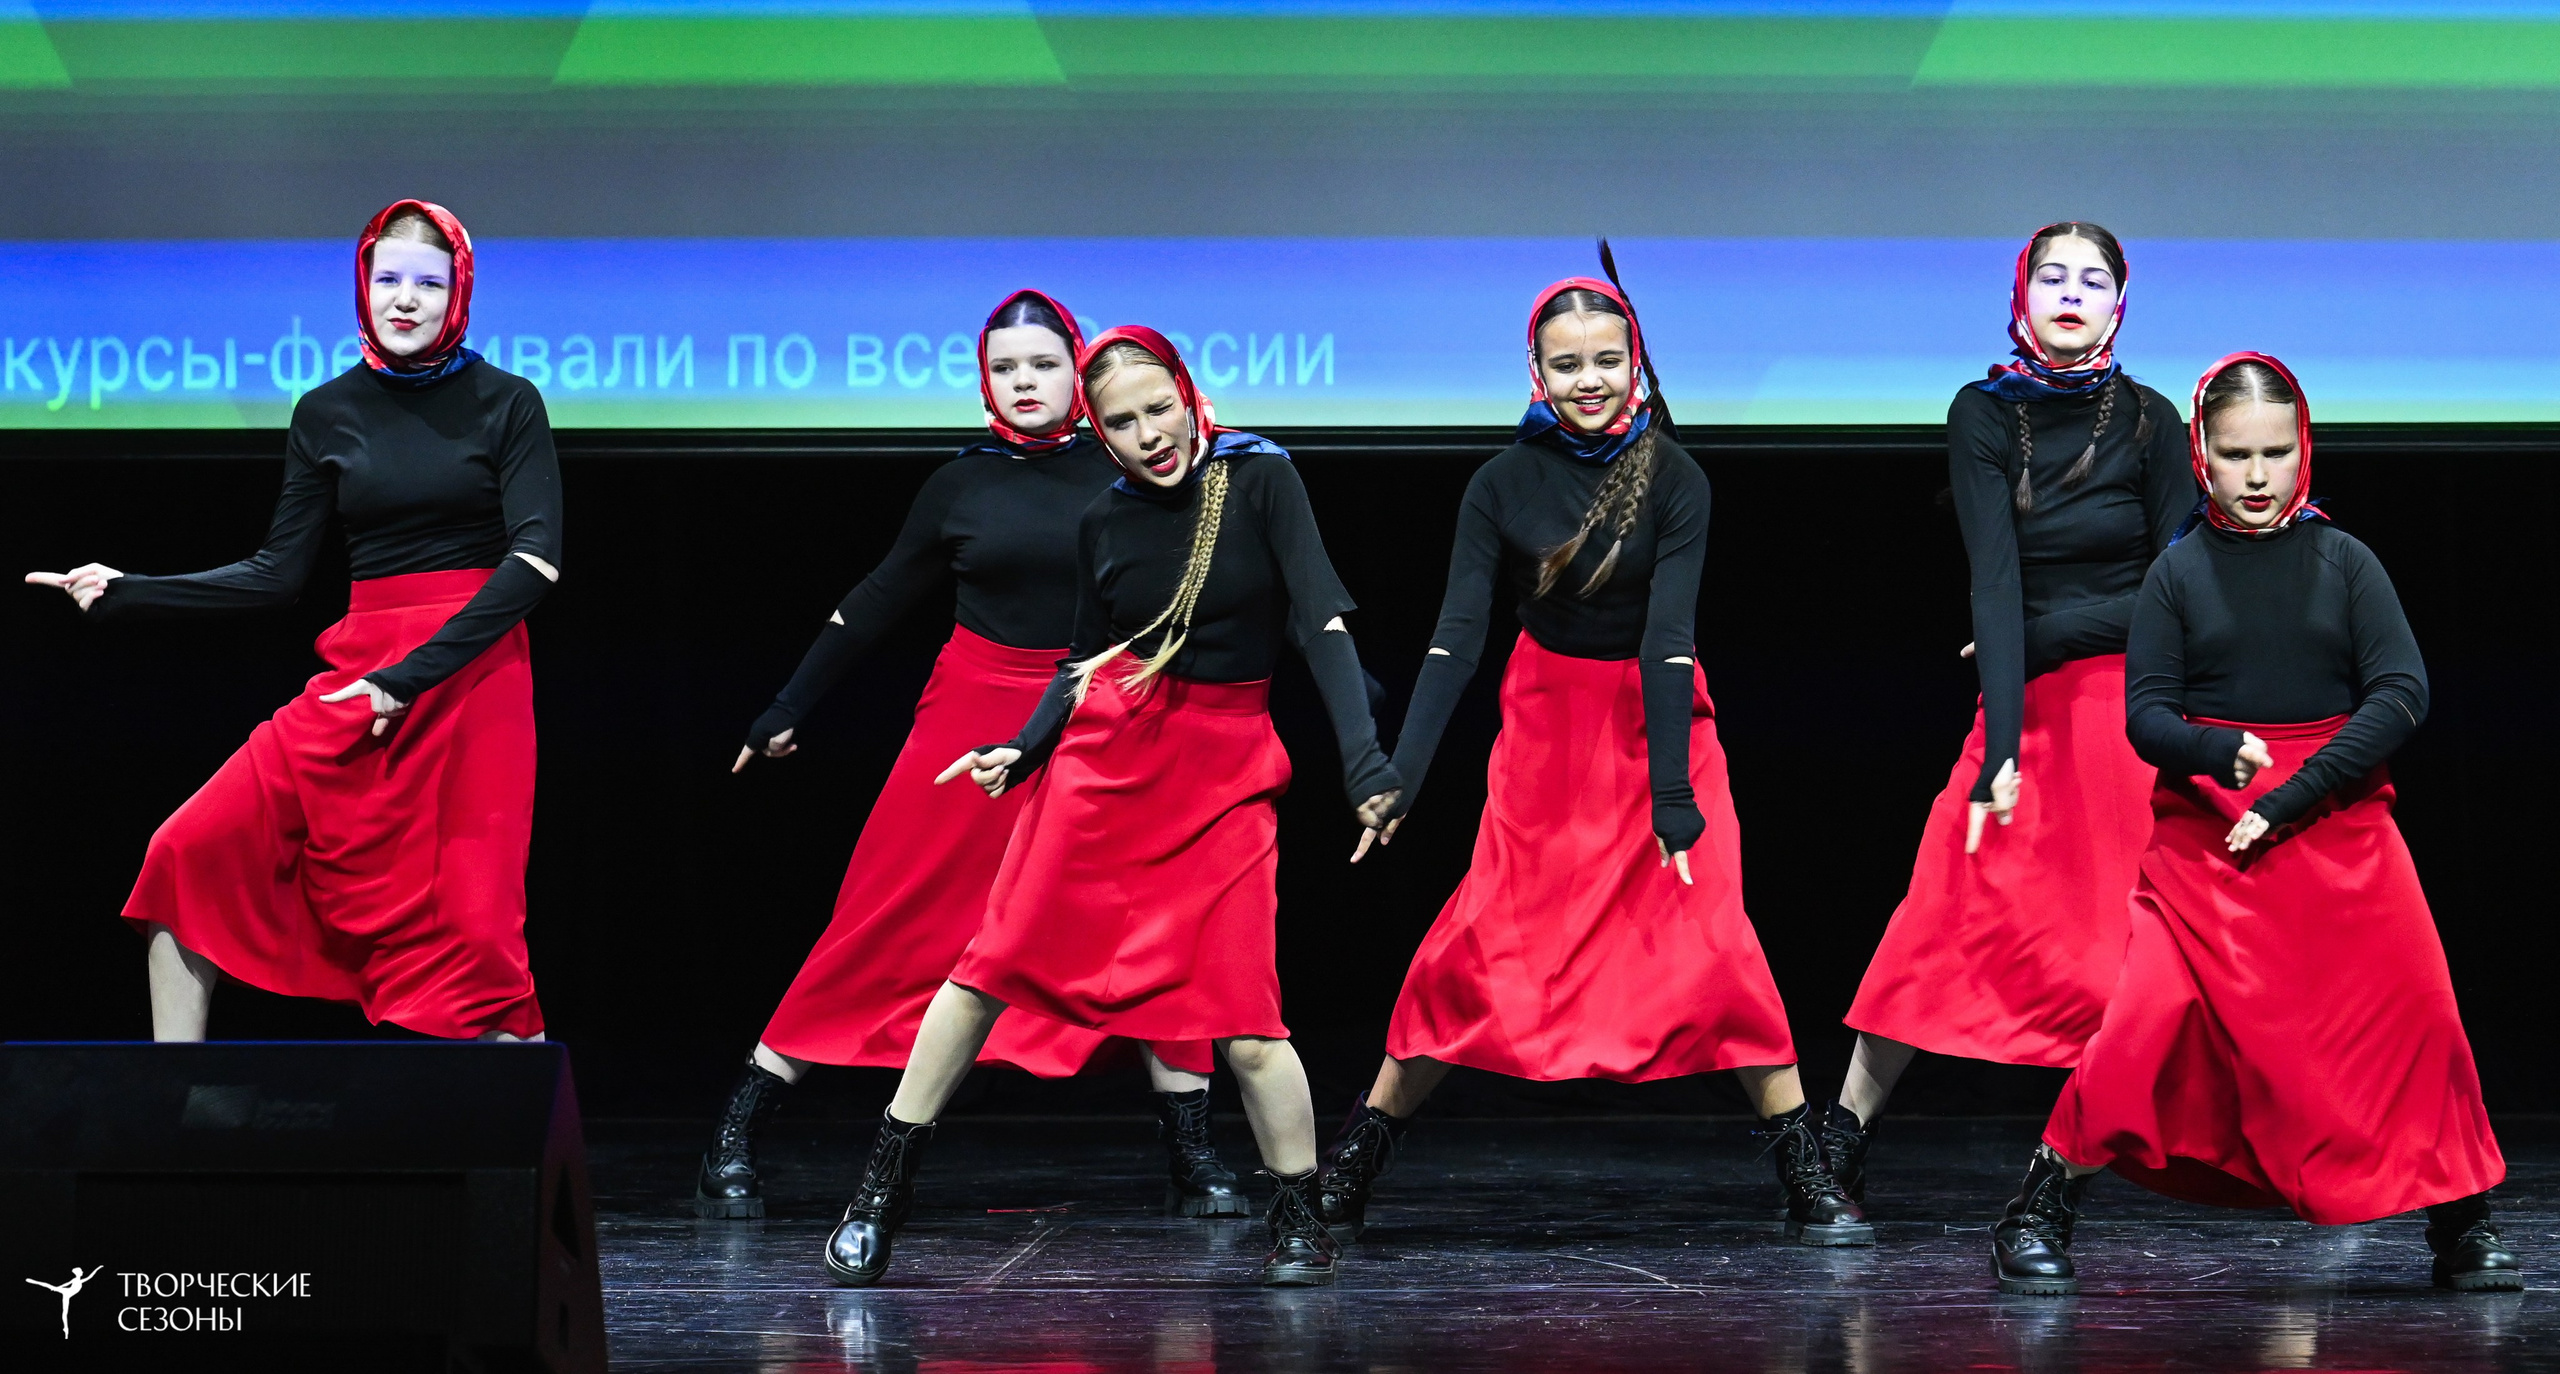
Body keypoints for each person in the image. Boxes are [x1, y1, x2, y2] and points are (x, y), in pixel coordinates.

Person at [816, 327, 1401, 1289]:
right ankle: (878, 1195)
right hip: (1104, 767)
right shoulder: (1105, 520)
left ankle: (1298, 1221)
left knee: (1248, 1017)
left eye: (1157, 409)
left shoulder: (1260, 480)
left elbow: (1320, 625)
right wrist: (1024, 744)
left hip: (1224, 774)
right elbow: (1083, 663)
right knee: (986, 969)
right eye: (1121, 423)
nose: (1147, 435)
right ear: (1102, 430)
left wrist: (1364, 763)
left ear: (1186, 394)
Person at [1318, 264, 1868, 1248]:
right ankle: (1360, 1153)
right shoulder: (1499, 483)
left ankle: (1801, 1167)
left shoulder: (1676, 477)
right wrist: (1398, 771)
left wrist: (1669, 794)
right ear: (1532, 369)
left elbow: (1668, 636)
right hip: (1545, 729)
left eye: (1607, 361)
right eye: (1566, 363)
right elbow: (1454, 634)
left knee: (1711, 940)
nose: (1588, 379)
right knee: (1482, 943)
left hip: (1657, 724)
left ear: (1636, 366)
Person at [695, 291, 1236, 1223]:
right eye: (1004, 370)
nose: (1024, 384)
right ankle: (735, 1131)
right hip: (970, 721)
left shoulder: (1141, 475)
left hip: (1101, 717)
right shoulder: (961, 484)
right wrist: (789, 704)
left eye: (1042, 365)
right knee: (889, 919)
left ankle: (1193, 1155)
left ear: (1081, 370)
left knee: (1146, 929)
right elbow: (873, 599)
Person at [1991, 353, 2518, 1296]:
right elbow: (2145, 716)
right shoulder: (2177, 573)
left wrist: (2291, 791)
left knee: (2419, 1017)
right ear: (2204, 455)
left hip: (2340, 826)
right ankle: (2039, 1205)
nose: (2260, 475)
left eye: (2276, 452)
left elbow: (2401, 692)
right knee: (2142, 1026)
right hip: (2206, 848)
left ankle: (2462, 1218)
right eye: (2238, 456)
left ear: (2303, 448)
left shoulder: (2345, 561)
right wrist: (2214, 751)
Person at [25, 199, 560, 1042]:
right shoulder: (325, 412)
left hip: (473, 677)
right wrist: (131, 588)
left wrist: (407, 679)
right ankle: (174, 1115)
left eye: (429, 281)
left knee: (474, 939)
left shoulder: (508, 402)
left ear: (459, 292)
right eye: (389, 279)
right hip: (361, 672)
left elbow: (534, 563)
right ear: (364, 285)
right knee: (185, 852)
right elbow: (278, 574)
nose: (406, 299)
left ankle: (517, 1151)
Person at [1831, 222, 2192, 1203]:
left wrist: (2054, 629)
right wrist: (1997, 745)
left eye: (2092, 280)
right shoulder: (1982, 412)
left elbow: (2176, 590)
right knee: (1941, 914)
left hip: (2129, 702)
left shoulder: (2155, 420)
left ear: (2120, 302)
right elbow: (1991, 584)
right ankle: (1840, 1139)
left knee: (2132, 942)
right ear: (2019, 297)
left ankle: (2079, 1165)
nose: (2069, 294)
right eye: (2050, 277)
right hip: (2020, 701)